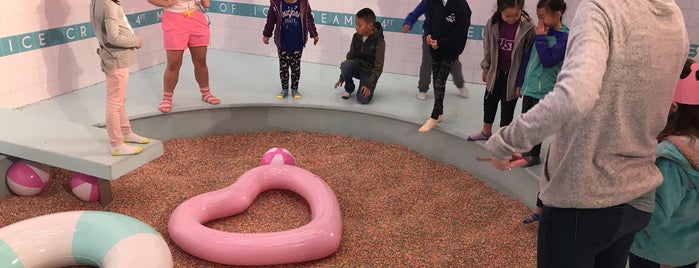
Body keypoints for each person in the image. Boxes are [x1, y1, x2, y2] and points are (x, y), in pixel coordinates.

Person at [483, 0, 689, 266]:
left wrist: (503, 142)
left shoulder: (601, 8)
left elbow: (575, 97)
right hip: (638, 197)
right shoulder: (673, 17)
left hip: (584, 197)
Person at [629, 58, 699, 268]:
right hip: (688, 252)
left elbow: (651, 217)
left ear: (673, 106)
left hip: (656, 253)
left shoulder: (671, 157)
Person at [515, 0, 569, 224]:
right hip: (530, 87)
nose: (541, 22)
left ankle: (534, 154)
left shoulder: (565, 38)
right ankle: (527, 151)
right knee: (527, 120)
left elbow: (548, 60)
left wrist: (540, 37)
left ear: (558, 14)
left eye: (544, 17)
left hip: (545, 90)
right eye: (538, 17)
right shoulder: (542, 31)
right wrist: (520, 81)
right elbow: (529, 61)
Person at [466, 0, 534, 141]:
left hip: (513, 76)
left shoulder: (528, 27)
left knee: (508, 107)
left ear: (521, 9)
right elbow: (487, 48)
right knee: (489, 102)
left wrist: (522, 81)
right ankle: (486, 132)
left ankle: (503, 138)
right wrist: (486, 67)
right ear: (500, 10)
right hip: (495, 72)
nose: (511, 19)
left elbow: (528, 57)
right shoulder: (492, 24)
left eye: (515, 15)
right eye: (507, 16)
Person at [90, 0, 150, 156]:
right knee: (115, 103)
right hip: (116, 59)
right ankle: (116, 144)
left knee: (119, 100)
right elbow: (113, 38)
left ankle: (125, 132)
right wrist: (135, 40)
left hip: (113, 57)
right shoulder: (109, 5)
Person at [147, 0, 220, 113]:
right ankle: (167, 98)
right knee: (174, 63)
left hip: (196, 17)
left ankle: (206, 93)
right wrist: (165, 3)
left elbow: (206, 3)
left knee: (201, 60)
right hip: (173, 19)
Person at [417, 0, 472, 132]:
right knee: (436, 80)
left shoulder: (461, 5)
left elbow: (461, 31)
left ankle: (434, 117)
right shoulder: (434, 2)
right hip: (435, 48)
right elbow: (431, 21)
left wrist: (441, 42)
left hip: (451, 50)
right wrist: (429, 36)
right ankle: (440, 112)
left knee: (440, 80)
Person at [402, 0, 469, 100]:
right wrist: (408, 23)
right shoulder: (428, 1)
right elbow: (416, 12)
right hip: (429, 36)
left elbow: (460, 20)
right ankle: (423, 89)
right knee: (427, 62)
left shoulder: (456, 3)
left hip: (446, 37)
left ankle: (460, 84)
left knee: (453, 62)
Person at [262, 0, 319, 100]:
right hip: (283, 43)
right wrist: (267, 34)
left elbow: (308, 19)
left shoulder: (303, 3)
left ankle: (295, 89)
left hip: (297, 43)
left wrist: (314, 34)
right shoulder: (277, 3)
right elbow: (270, 20)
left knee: (295, 68)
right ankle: (284, 89)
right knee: (283, 68)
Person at [334, 8, 385, 104]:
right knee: (345, 65)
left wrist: (369, 85)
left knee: (363, 100)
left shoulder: (379, 42)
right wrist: (342, 78)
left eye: (359, 25)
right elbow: (350, 56)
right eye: (355, 24)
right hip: (357, 66)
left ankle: (366, 87)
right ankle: (349, 89)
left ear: (370, 26)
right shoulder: (356, 36)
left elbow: (378, 67)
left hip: (368, 72)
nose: (356, 27)